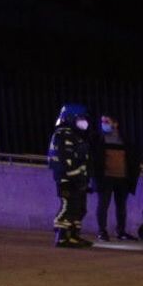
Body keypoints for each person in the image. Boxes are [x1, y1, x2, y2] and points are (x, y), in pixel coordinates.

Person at [47, 104, 95, 249]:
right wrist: (76, 178)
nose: (83, 121)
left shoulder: (75, 135)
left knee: (80, 209)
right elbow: (66, 160)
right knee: (69, 207)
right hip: (68, 180)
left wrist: (84, 180)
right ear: (70, 118)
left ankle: (73, 235)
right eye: (79, 118)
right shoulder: (63, 134)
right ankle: (62, 236)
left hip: (77, 180)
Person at [93, 115, 141, 241]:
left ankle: (121, 231)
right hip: (105, 178)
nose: (104, 124)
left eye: (107, 121)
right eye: (102, 121)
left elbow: (132, 158)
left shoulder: (124, 139)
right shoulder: (98, 139)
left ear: (115, 123)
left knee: (121, 207)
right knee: (103, 205)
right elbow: (94, 160)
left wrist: (132, 176)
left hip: (122, 178)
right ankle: (102, 231)